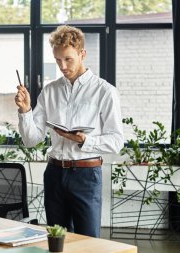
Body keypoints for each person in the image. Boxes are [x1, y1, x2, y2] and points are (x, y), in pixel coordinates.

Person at [14, 25, 124, 237]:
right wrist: (25, 110)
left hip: (86, 175)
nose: (62, 66)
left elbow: (117, 141)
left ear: (82, 54)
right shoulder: (50, 91)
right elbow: (31, 140)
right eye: (57, 60)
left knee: (88, 242)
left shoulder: (105, 91)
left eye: (68, 59)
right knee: (58, 240)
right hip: (54, 174)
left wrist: (85, 140)